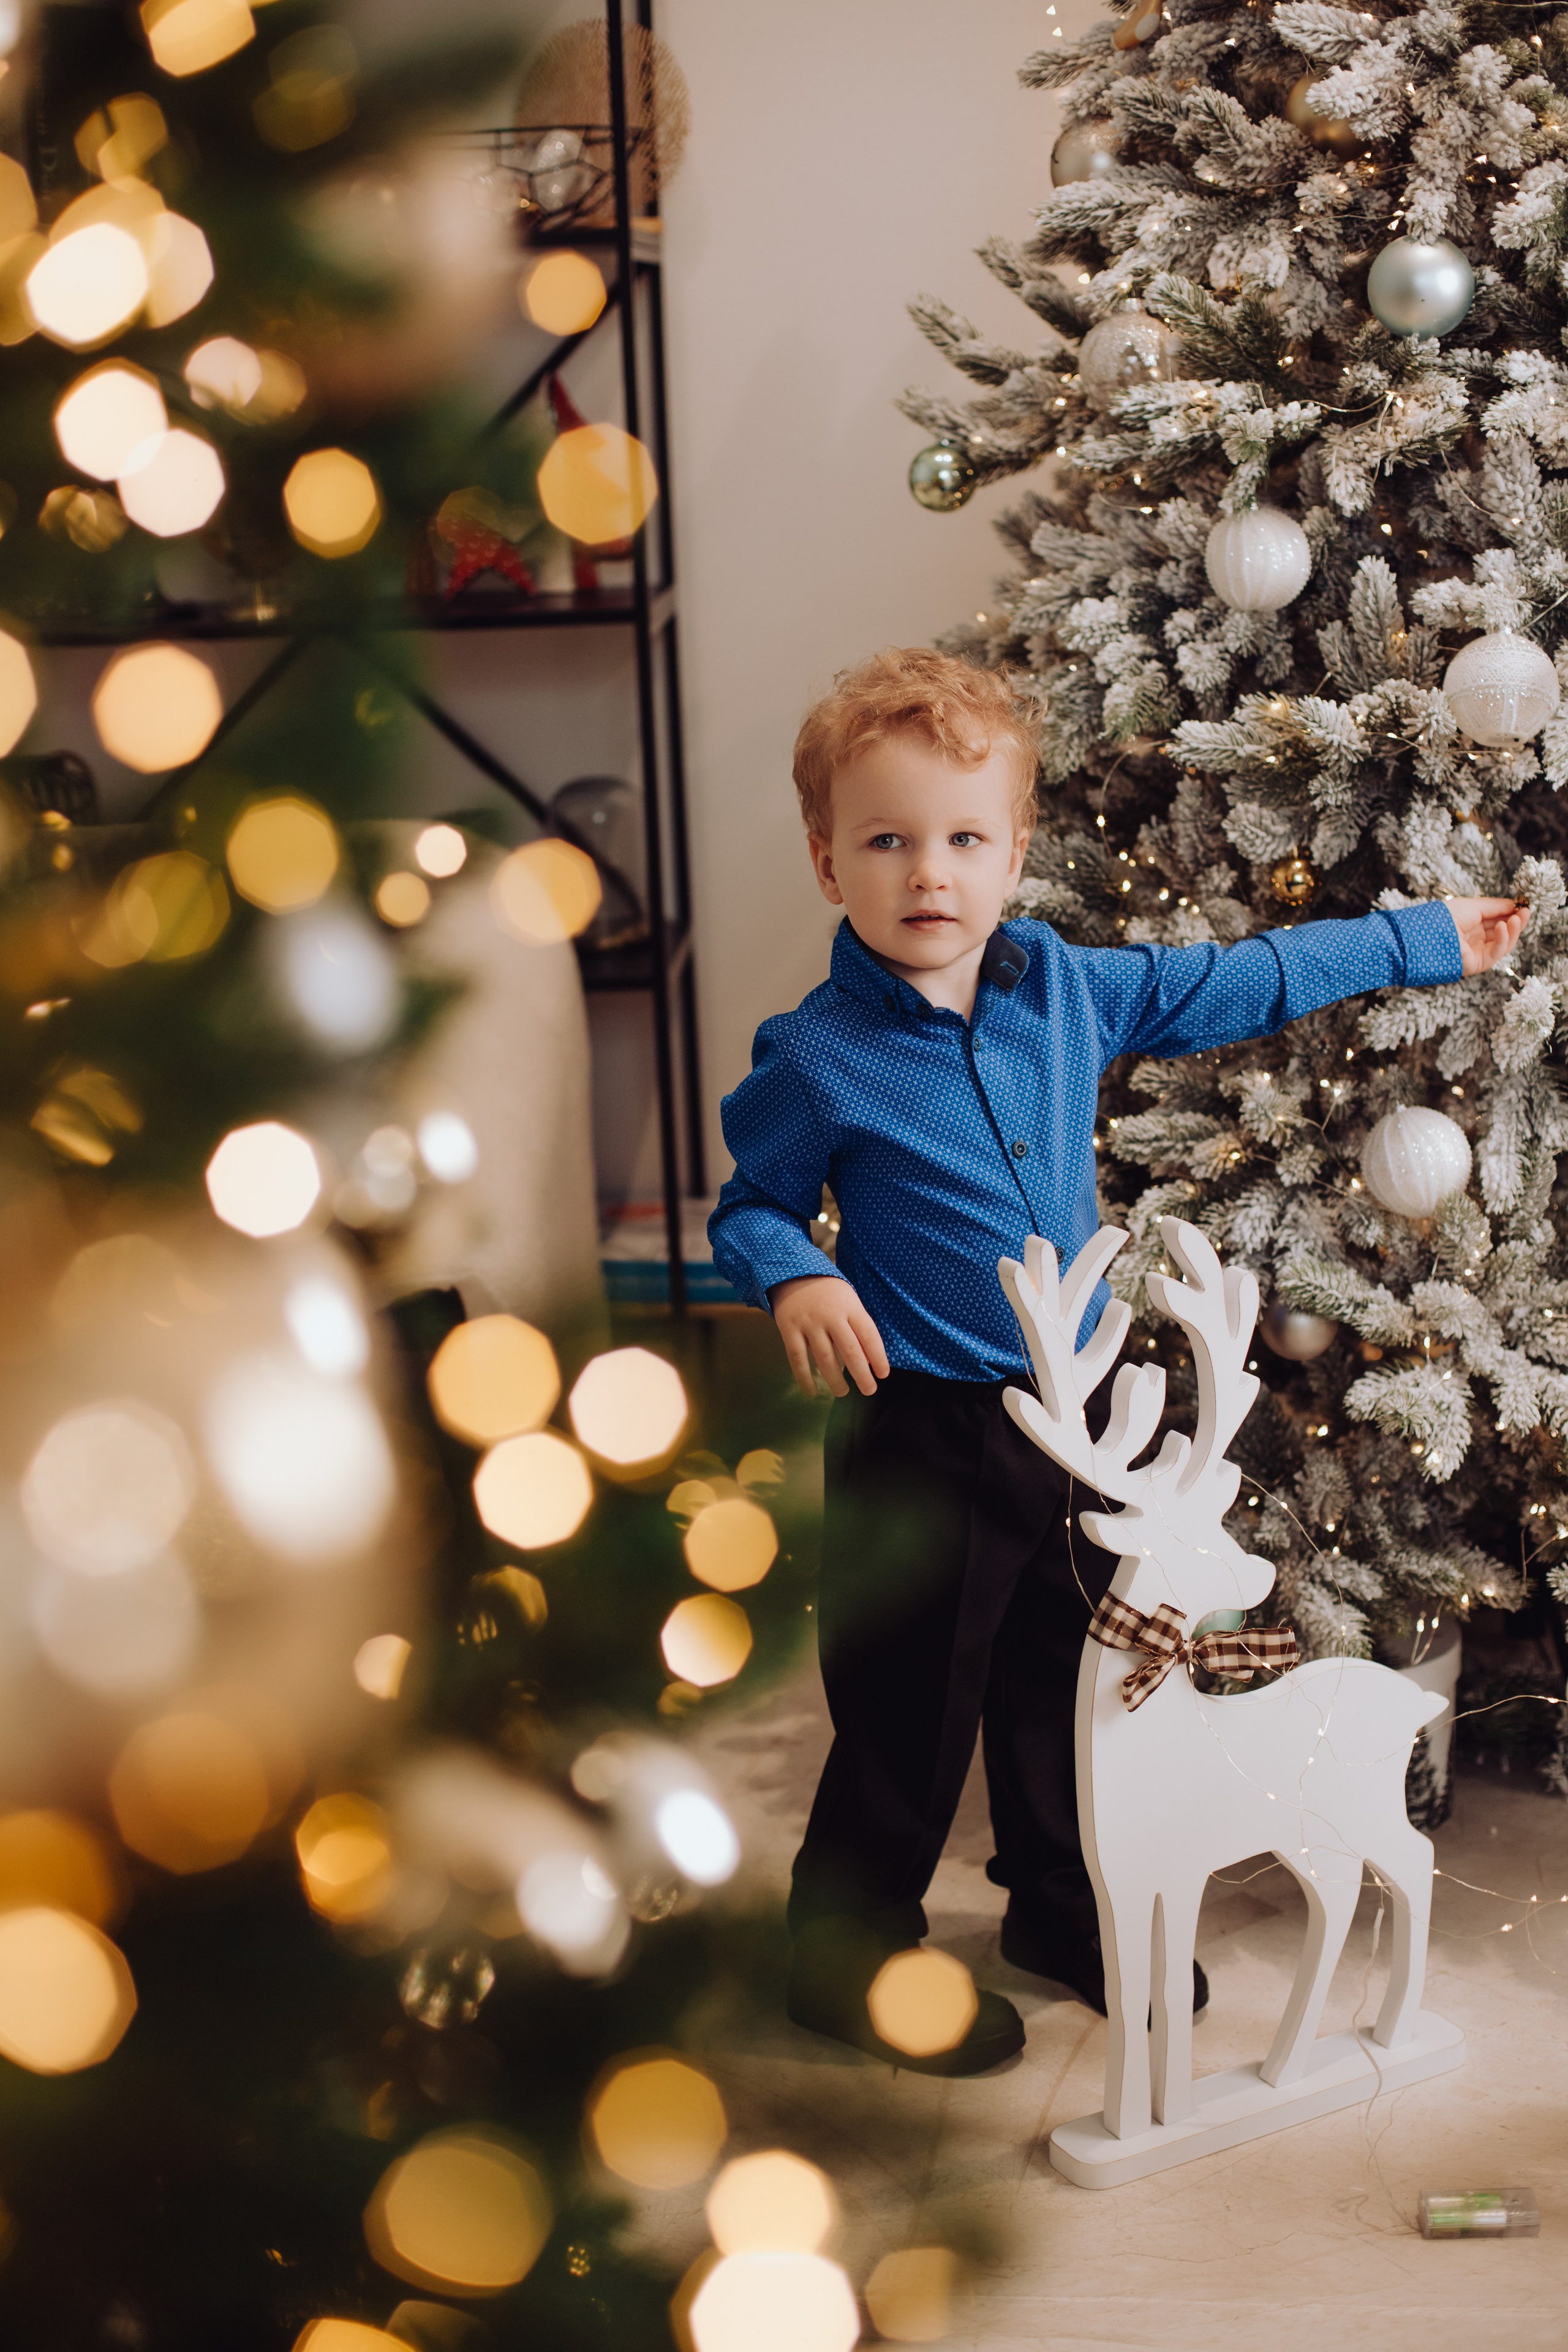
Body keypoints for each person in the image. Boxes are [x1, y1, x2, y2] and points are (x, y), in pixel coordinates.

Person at [708, 646, 1528, 2076]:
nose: (928, 874)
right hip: (924, 1428)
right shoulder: (817, 1055)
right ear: (827, 860)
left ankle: (1053, 1901)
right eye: (886, 842)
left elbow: (1244, 974)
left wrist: (1419, 938)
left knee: (1066, 1675)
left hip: (1078, 1419)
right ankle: (845, 1956)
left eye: (964, 840)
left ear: (1014, 849)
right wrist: (796, 1273)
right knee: (908, 1704)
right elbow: (750, 1208)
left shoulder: (1062, 988)